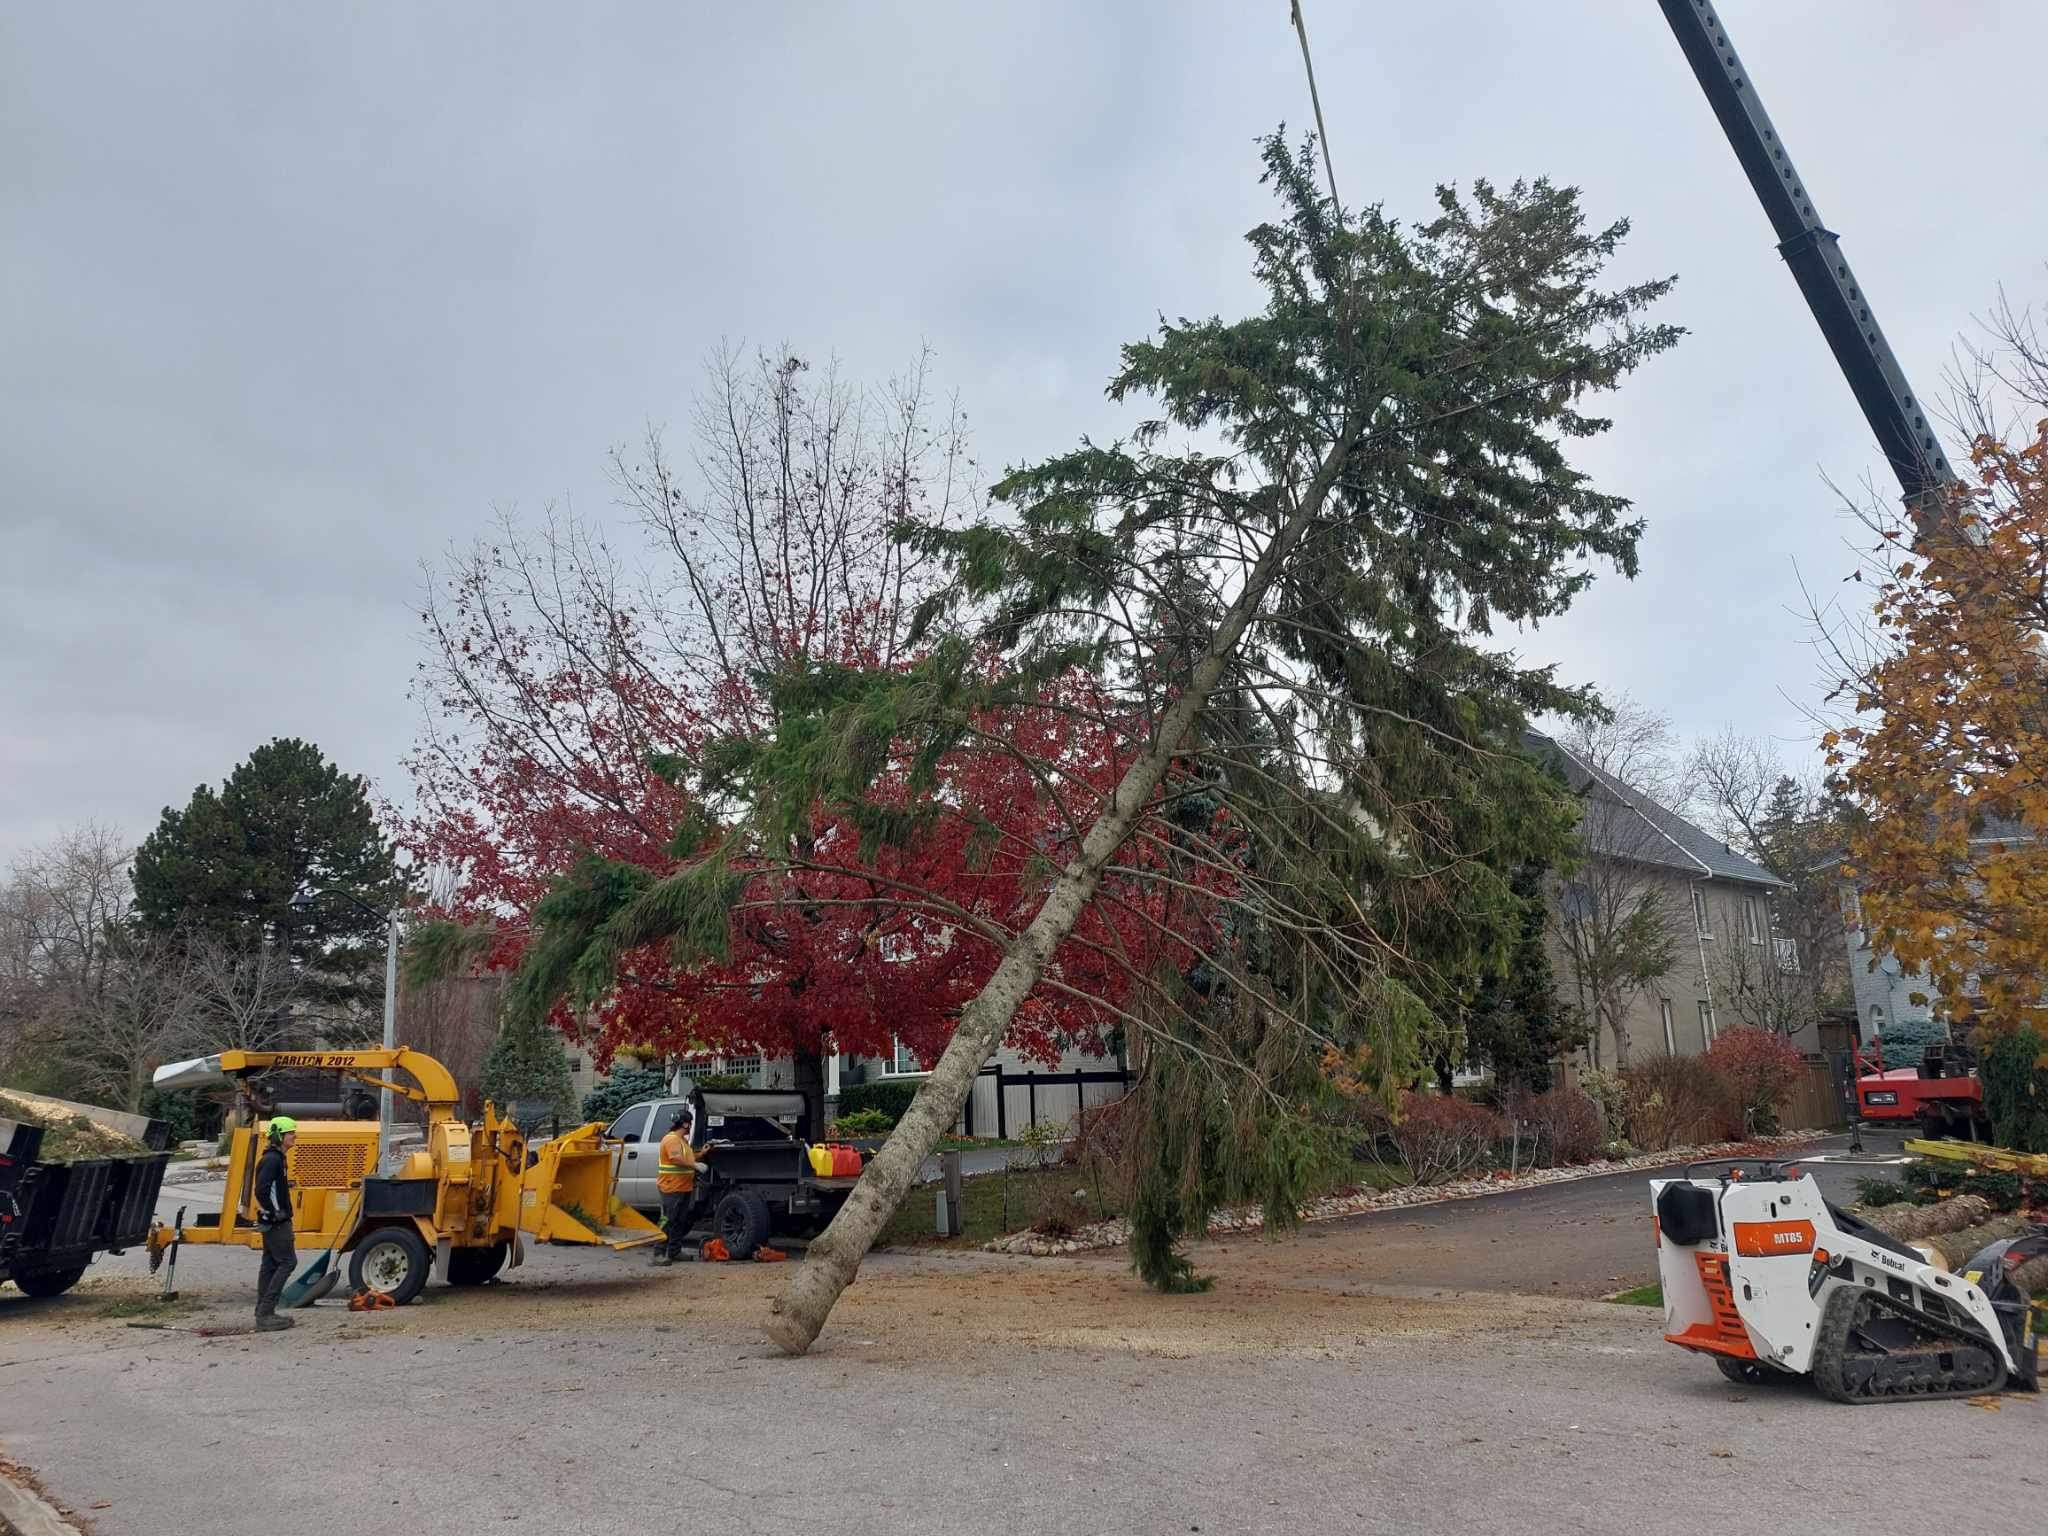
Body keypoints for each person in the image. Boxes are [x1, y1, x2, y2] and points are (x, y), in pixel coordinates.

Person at [252, 1115, 299, 1331]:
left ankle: (263, 1312)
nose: (294, 1136)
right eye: (291, 1133)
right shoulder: (273, 1160)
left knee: (270, 1264)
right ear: (279, 1135)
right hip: (277, 1222)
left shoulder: (276, 1158)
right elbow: (261, 1190)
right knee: (288, 1262)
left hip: (274, 1220)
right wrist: (275, 1213)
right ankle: (266, 1313)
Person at [653, 1109, 712, 1266]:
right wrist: (696, 1166)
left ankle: (675, 1251)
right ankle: (658, 1253)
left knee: (679, 1221)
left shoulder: (682, 1141)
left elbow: (688, 1157)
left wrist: (701, 1154)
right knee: (667, 1220)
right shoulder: (671, 1140)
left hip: (683, 1187)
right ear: (685, 1124)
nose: (690, 1126)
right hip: (671, 1187)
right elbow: (676, 1158)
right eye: (690, 1123)